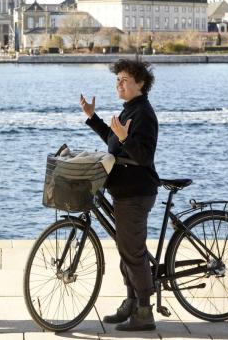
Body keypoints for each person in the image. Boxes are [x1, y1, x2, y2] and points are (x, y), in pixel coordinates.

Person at [79, 58, 159, 332]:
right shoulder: (128, 111)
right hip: (124, 190)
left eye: (125, 80)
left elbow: (144, 155)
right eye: (118, 79)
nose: (119, 84)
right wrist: (93, 118)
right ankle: (131, 301)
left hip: (136, 192)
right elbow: (115, 141)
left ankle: (144, 311)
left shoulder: (144, 114)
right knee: (126, 248)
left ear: (141, 84)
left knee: (133, 251)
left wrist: (125, 138)